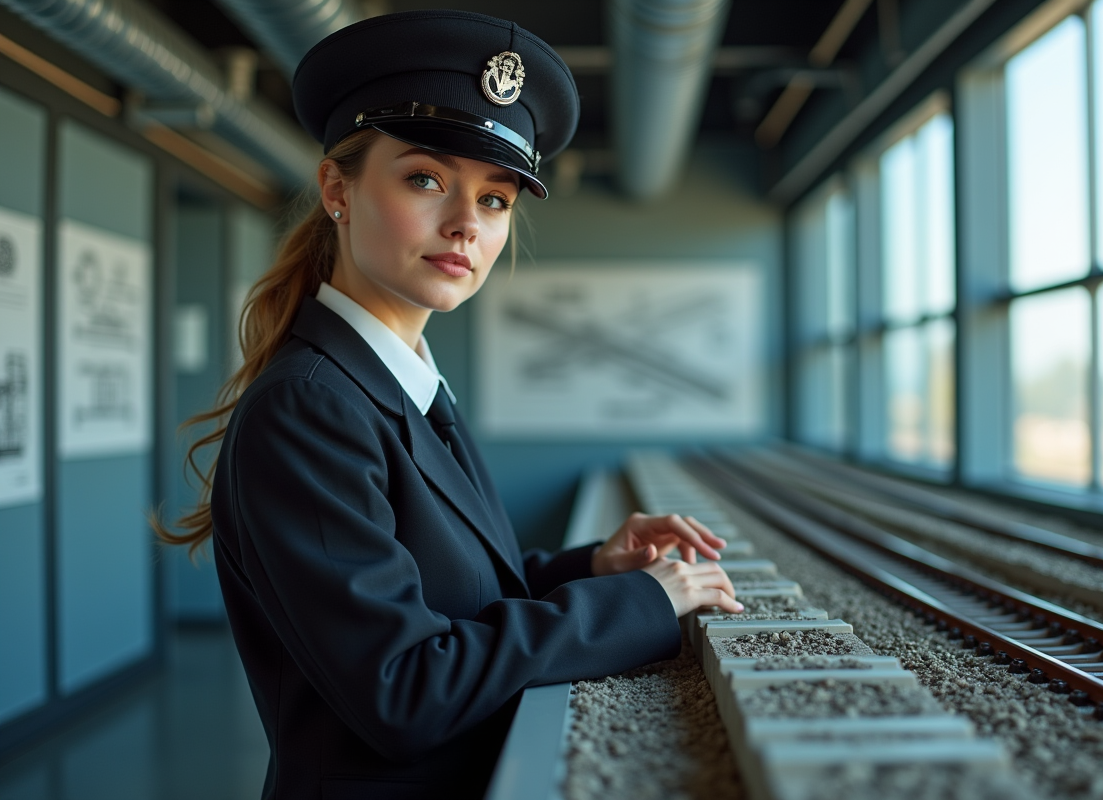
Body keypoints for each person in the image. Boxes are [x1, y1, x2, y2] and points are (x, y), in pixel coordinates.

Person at [157, 10, 742, 800]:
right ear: (338, 188)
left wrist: (592, 566)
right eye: (426, 179)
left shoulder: (404, 385)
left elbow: (448, 594)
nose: (467, 224)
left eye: (496, 199)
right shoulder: (310, 408)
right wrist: (636, 604)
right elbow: (402, 683)